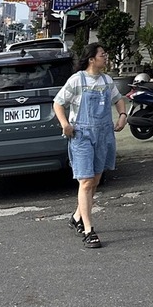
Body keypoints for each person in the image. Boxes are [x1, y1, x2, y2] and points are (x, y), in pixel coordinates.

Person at [52, 42, 127, 249]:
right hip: (82, 136)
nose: (106, 57)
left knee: (94, 181)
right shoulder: (77, 80)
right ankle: (88, 230)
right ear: (92, 59)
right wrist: (65, 124)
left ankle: (76, 217)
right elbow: (58, 103)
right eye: (103, 54)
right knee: (85, 182)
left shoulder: (106, 80)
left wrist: (122, 115)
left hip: (103, 135)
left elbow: (118, 99)